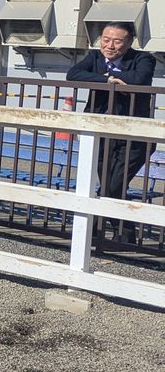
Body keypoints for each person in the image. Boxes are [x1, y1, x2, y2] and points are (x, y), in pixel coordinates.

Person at [66, 21, 157, 239]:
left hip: (135, 135)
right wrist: (108, 79)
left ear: (129, 42)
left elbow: (140, 79)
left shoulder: (143, 58)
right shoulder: (95, 58)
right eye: (106, 40)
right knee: (109, 185)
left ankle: (98, 231)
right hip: (100, 133)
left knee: (113, 185)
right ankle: (122, 234)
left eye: (117, 41)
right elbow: (73, 74)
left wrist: (117, 78)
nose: (110, 45)